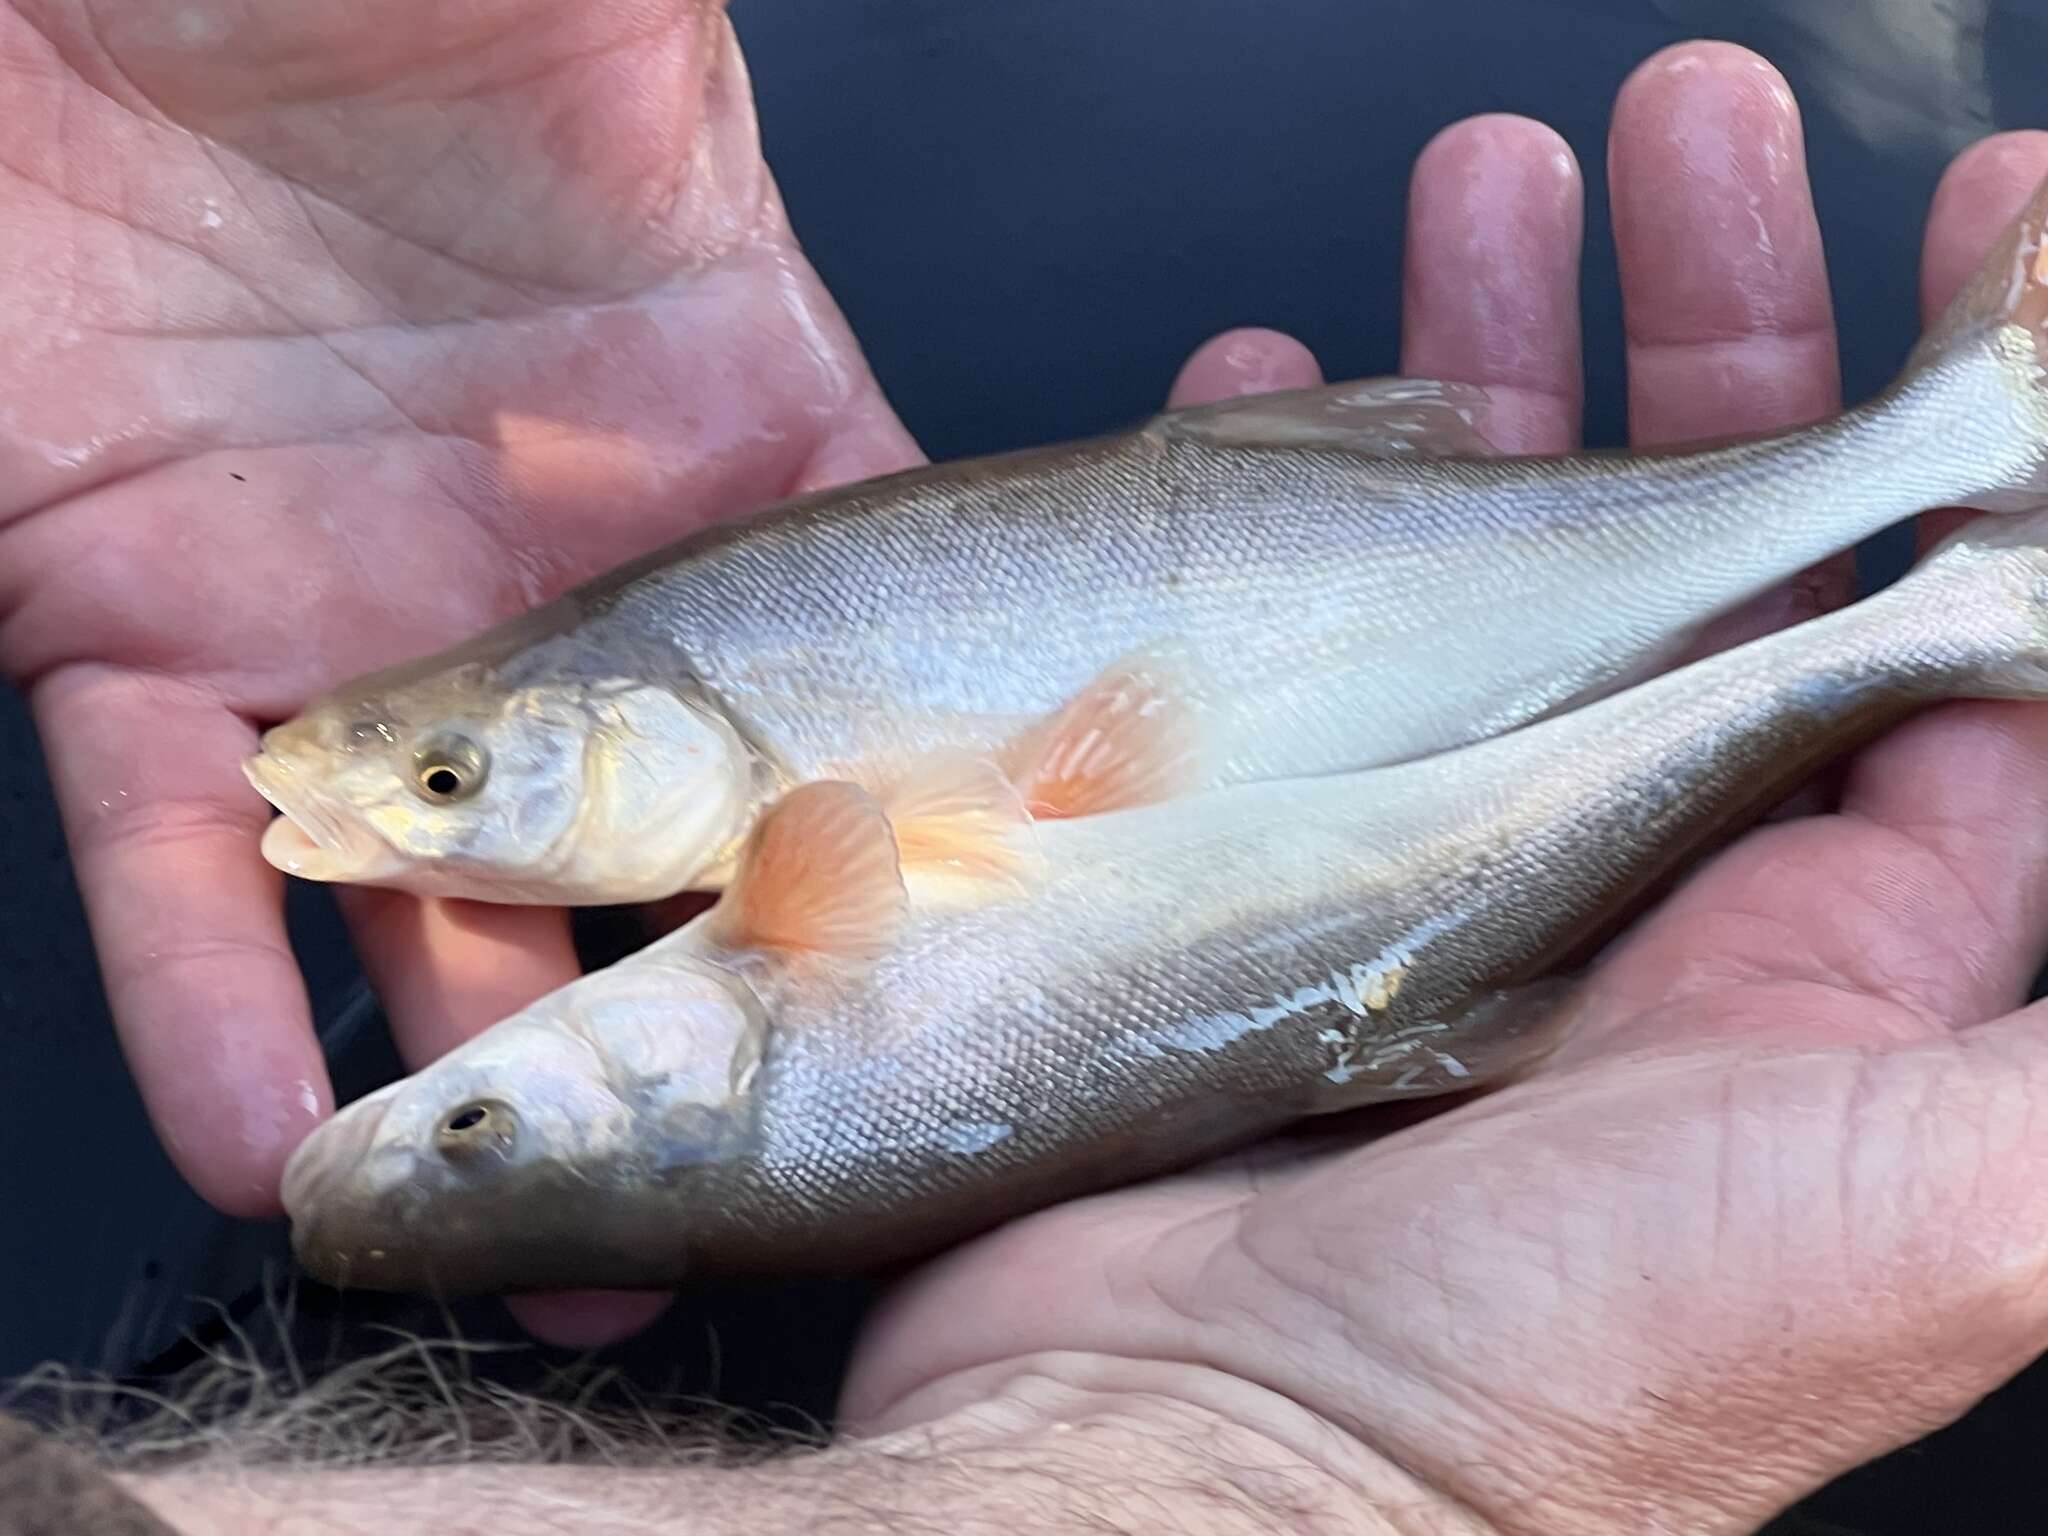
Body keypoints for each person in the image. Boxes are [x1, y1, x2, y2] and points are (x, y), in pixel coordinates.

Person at [4, 3, 2048, 1530]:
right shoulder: (782, 900)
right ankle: (1950, 494)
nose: (389, 821)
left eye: (449, 782)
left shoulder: (775, 878)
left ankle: (1945, 466)